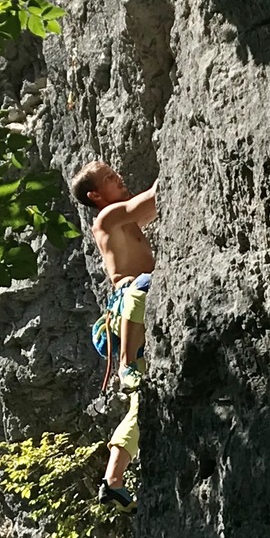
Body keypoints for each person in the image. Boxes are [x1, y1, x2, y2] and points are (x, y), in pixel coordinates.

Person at [71, 161, 158, 512]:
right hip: (129, 305)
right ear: (95, 195)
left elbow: (148, 209)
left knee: (143, 405)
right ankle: (125, 365)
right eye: (109, 178)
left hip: (140, 318)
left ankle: (113, 481)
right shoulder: (107, 219)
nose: (118, 177)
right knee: (142, 284)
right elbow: (152, 200)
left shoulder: (125, 219)